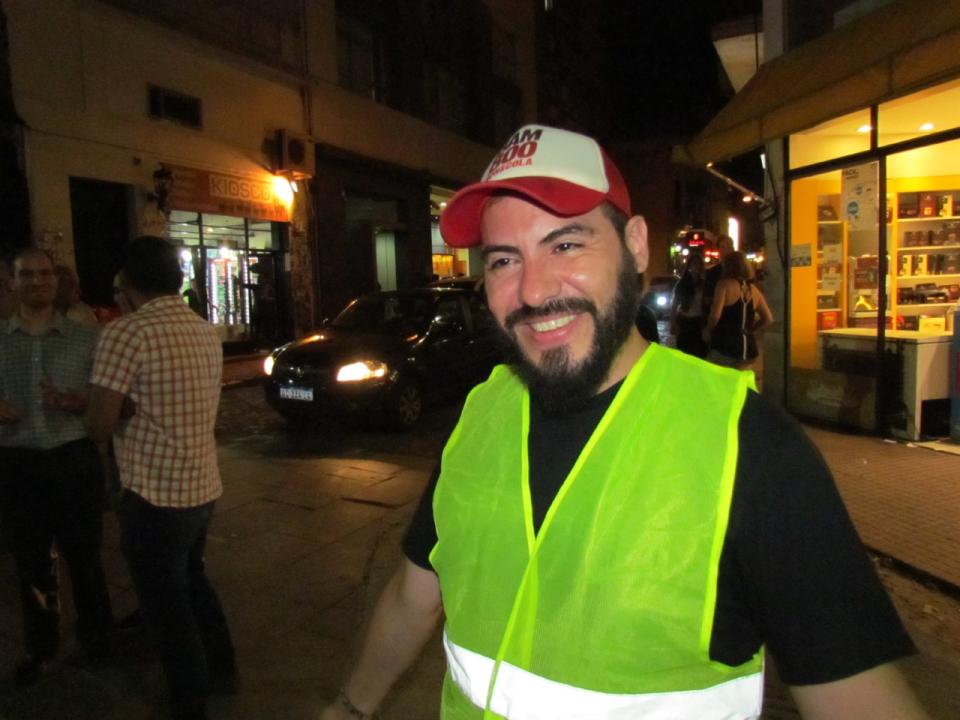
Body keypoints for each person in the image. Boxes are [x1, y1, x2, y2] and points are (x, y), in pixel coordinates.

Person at [319, 125, 930, 720]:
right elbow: (414, 593)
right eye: (505, 259)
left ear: (636, 245)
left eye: (565, 244)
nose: (532, 290)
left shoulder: (748, 444)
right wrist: (351, 706)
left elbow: (860, 694)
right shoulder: (484, 411)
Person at [85, 236, 237, 720]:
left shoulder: (125, 333)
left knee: (166, 608)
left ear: (128, 283)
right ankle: (223, 668)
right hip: (200, 485)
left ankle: (189, 701)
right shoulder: (202, 330)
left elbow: (99, 424)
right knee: (192, 580)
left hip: (153, 493)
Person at [0, 247, 114, 686]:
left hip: (73, 459)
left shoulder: (87, 338)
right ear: (13, 283)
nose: (37, 281)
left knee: (84, 556)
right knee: (31, 561)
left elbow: (105, 399)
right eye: (26, 274)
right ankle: (41, 644)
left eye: (44, 274)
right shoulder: (0, 338)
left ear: (57, 280)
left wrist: (76, 400)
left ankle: (97, 637)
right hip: (17, 463)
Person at [704, 250, 774, 388]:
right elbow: (768, 318)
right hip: (748, 348)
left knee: (712, 382)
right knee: (740, 387)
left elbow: (715, 315)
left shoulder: (724, 285)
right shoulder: (754, 290)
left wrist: (707, 330)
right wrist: (750, 330)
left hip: (725, 345)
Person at [670, 251, 707, 357]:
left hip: (699, 322)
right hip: (685, 321)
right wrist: (673, 323)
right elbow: (674, 305)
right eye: (694, 263)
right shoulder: (682, 284)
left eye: (699, 264)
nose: (697, 267)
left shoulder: (704, 283)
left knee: (699, 354)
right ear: (689, 266)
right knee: (685, 352)